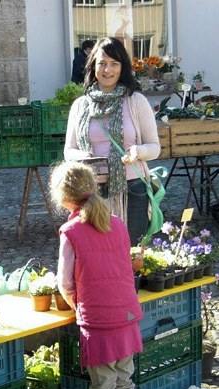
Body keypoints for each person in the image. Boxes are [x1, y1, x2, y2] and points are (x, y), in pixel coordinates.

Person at [49, 161, 143, 389]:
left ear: (64, 199)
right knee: (124, 382)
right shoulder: (116, 223)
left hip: (99, 321)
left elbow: (65, 283)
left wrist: (77, 306)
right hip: (126, 315)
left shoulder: (71, 231)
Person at [64, 36, 161, 246]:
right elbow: (69, 150)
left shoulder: (136, 102)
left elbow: (154, 148)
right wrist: (86, 158)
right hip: (91, 193)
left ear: (122, 67)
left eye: (114, 64)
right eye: (102, 63)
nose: (107, 70)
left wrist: (138, 151)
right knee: (96, 253)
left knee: (131, 252)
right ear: (93, 66)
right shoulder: (81, 105)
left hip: (131, 188)